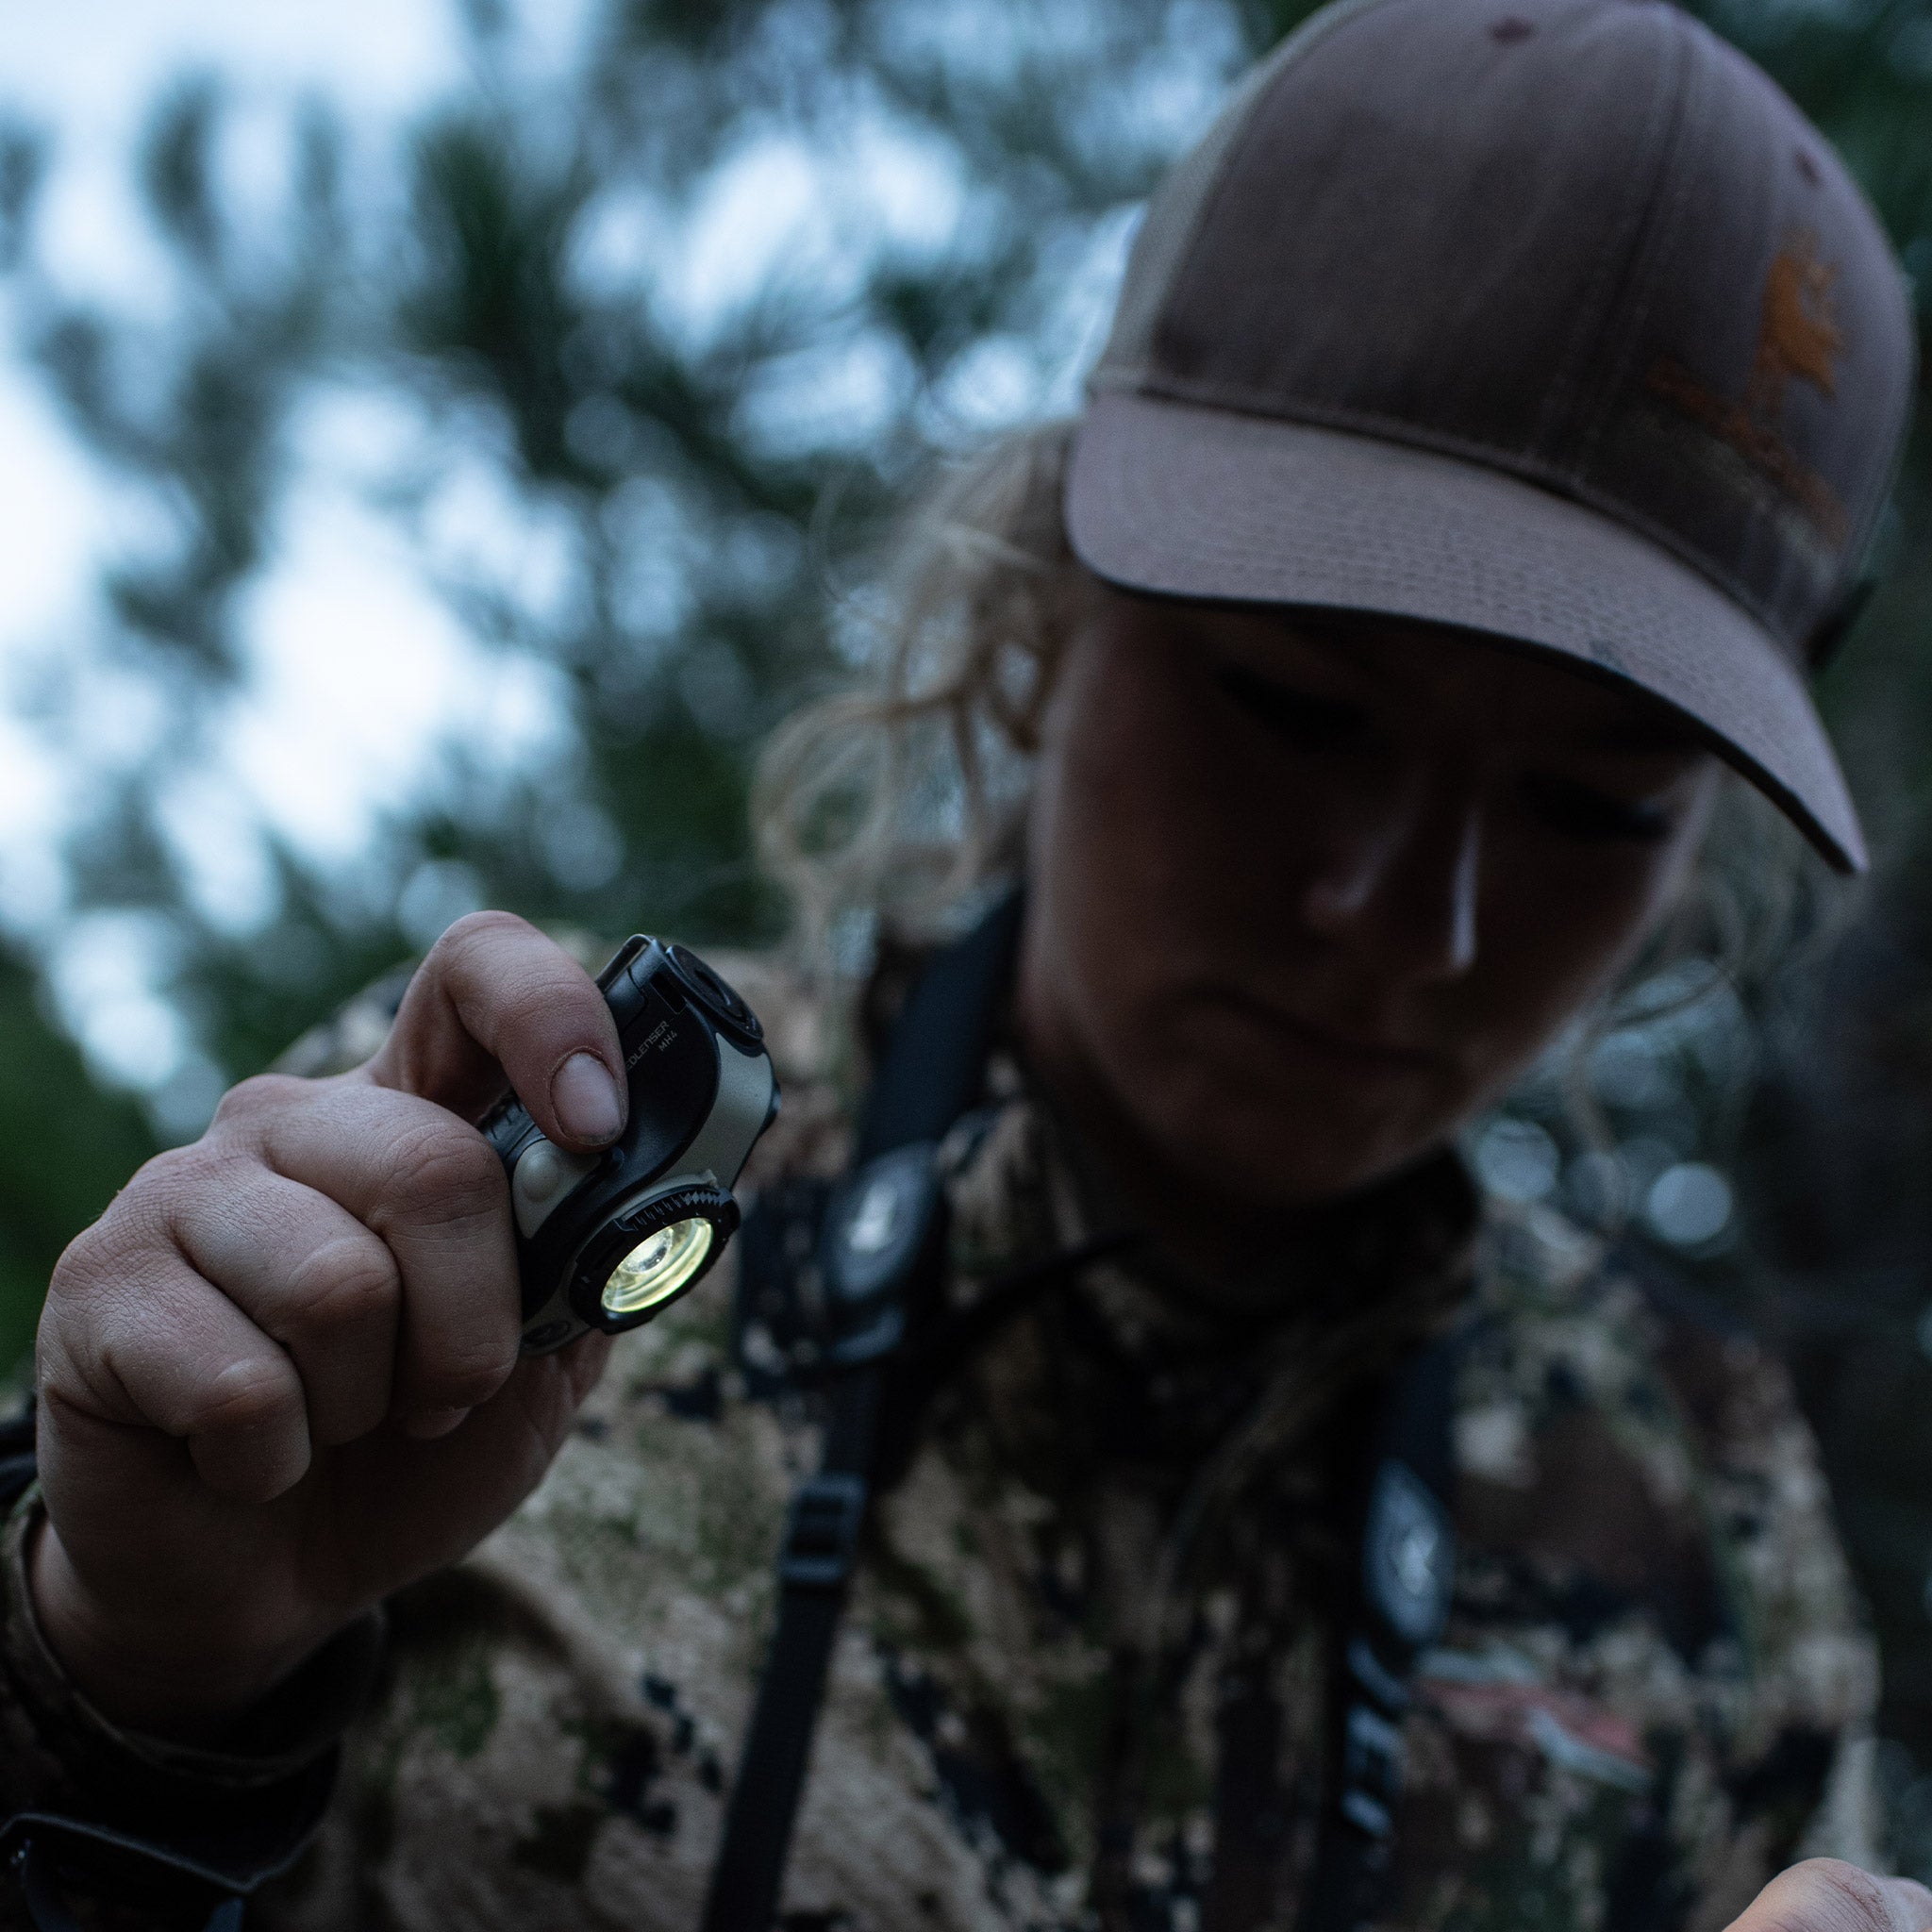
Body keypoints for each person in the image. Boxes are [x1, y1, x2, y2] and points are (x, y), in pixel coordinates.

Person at [1, 0, 1925, 1925]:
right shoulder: (509, 1170)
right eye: (1292, 710)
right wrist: (122, 1677)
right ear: (1046, 606)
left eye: (1588, 813)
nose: (1408, 919)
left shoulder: (1699, 1501)